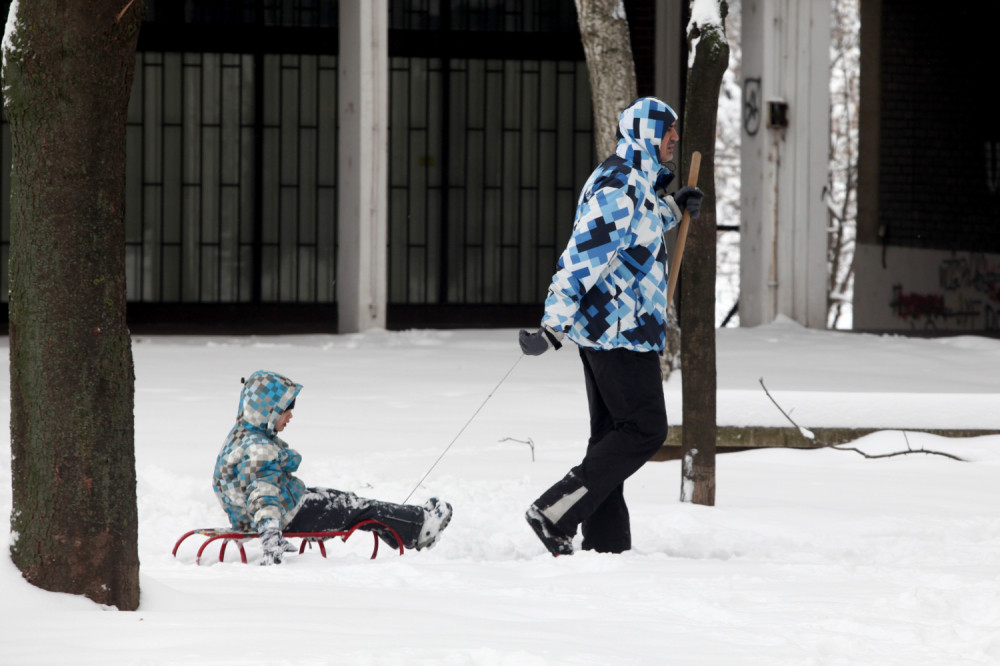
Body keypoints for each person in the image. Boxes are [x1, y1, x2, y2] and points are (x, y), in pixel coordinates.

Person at [518, 97, 703, 556]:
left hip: (623, 328)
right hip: (617, 332)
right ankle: (555, 511)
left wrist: (674, 209)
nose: (675, 139)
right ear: (644, 133)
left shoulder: (634, 186)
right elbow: (582, 258)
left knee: (610, 437)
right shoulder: (618, 186)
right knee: (644, 430)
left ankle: (606, 543)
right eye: (667, 131)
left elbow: (634, 232)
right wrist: (552, 325)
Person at [213, 370, 453, 565]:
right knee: (357, 508)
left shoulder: (241, 438)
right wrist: (270, 534)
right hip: (288, 516)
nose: (290, 417)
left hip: (279, 510)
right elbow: (263, 495)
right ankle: (420, 526)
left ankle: (408, 530)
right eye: (286, 410)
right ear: (268, 411)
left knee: (349, 503)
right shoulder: (258, 449)